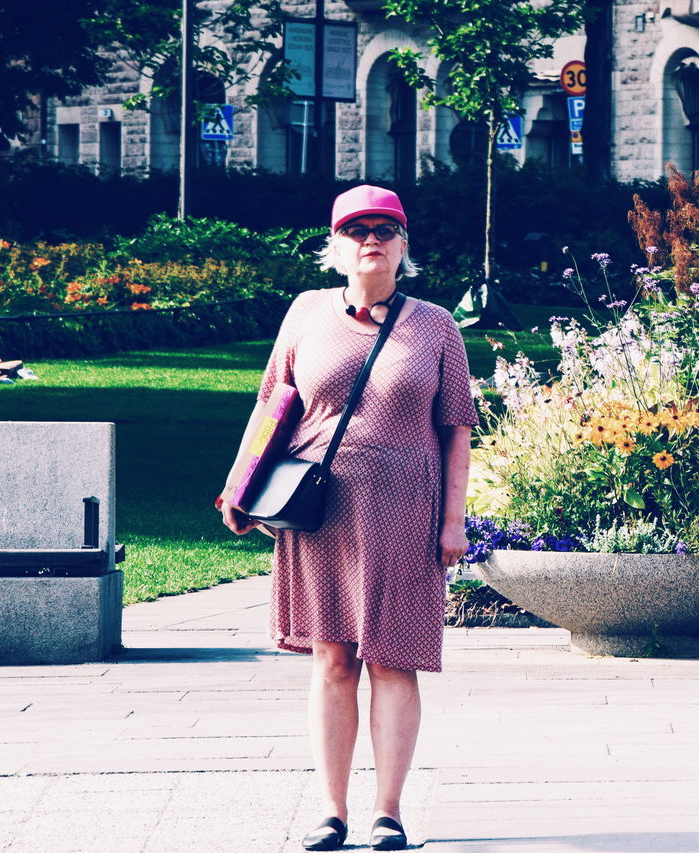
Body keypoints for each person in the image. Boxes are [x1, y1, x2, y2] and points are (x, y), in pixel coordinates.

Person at [219, 185, 476, 851]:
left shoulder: (435, 325)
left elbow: (456, 431)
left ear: (403, 245)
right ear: (335, 246)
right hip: (321, 511)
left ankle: (388, 812)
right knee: (332, 657)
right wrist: (239, 485)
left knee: (395, 660)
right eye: (357, 229)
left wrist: (454, 520)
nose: (371, 240)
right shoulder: (306, 312)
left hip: (406, 511)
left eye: (384, 229)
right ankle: (329, 812)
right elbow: (272, 403)